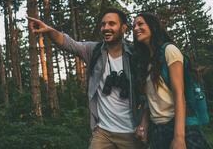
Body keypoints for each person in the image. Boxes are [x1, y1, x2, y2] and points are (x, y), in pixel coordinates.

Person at [27, 8, 145, 149]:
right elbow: (68, 43)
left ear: (123, 28)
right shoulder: (93, 51)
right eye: (103, 24)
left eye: (111, 24)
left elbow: (147, 96)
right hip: (103, 133)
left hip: (130, 133)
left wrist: (144, 124)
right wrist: (48, 30)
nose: (106, 28)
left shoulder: (136, 56)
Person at [133, 12, 211, 149]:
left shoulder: (169, 50)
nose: (135, 28)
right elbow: (150, 100)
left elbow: (179, 94)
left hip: (180, 127)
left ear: (153, 26)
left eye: (140, 24)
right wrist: (143, 124)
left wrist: (179, 138)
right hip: (158, 130)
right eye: (134, 26)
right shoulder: (146, 61)